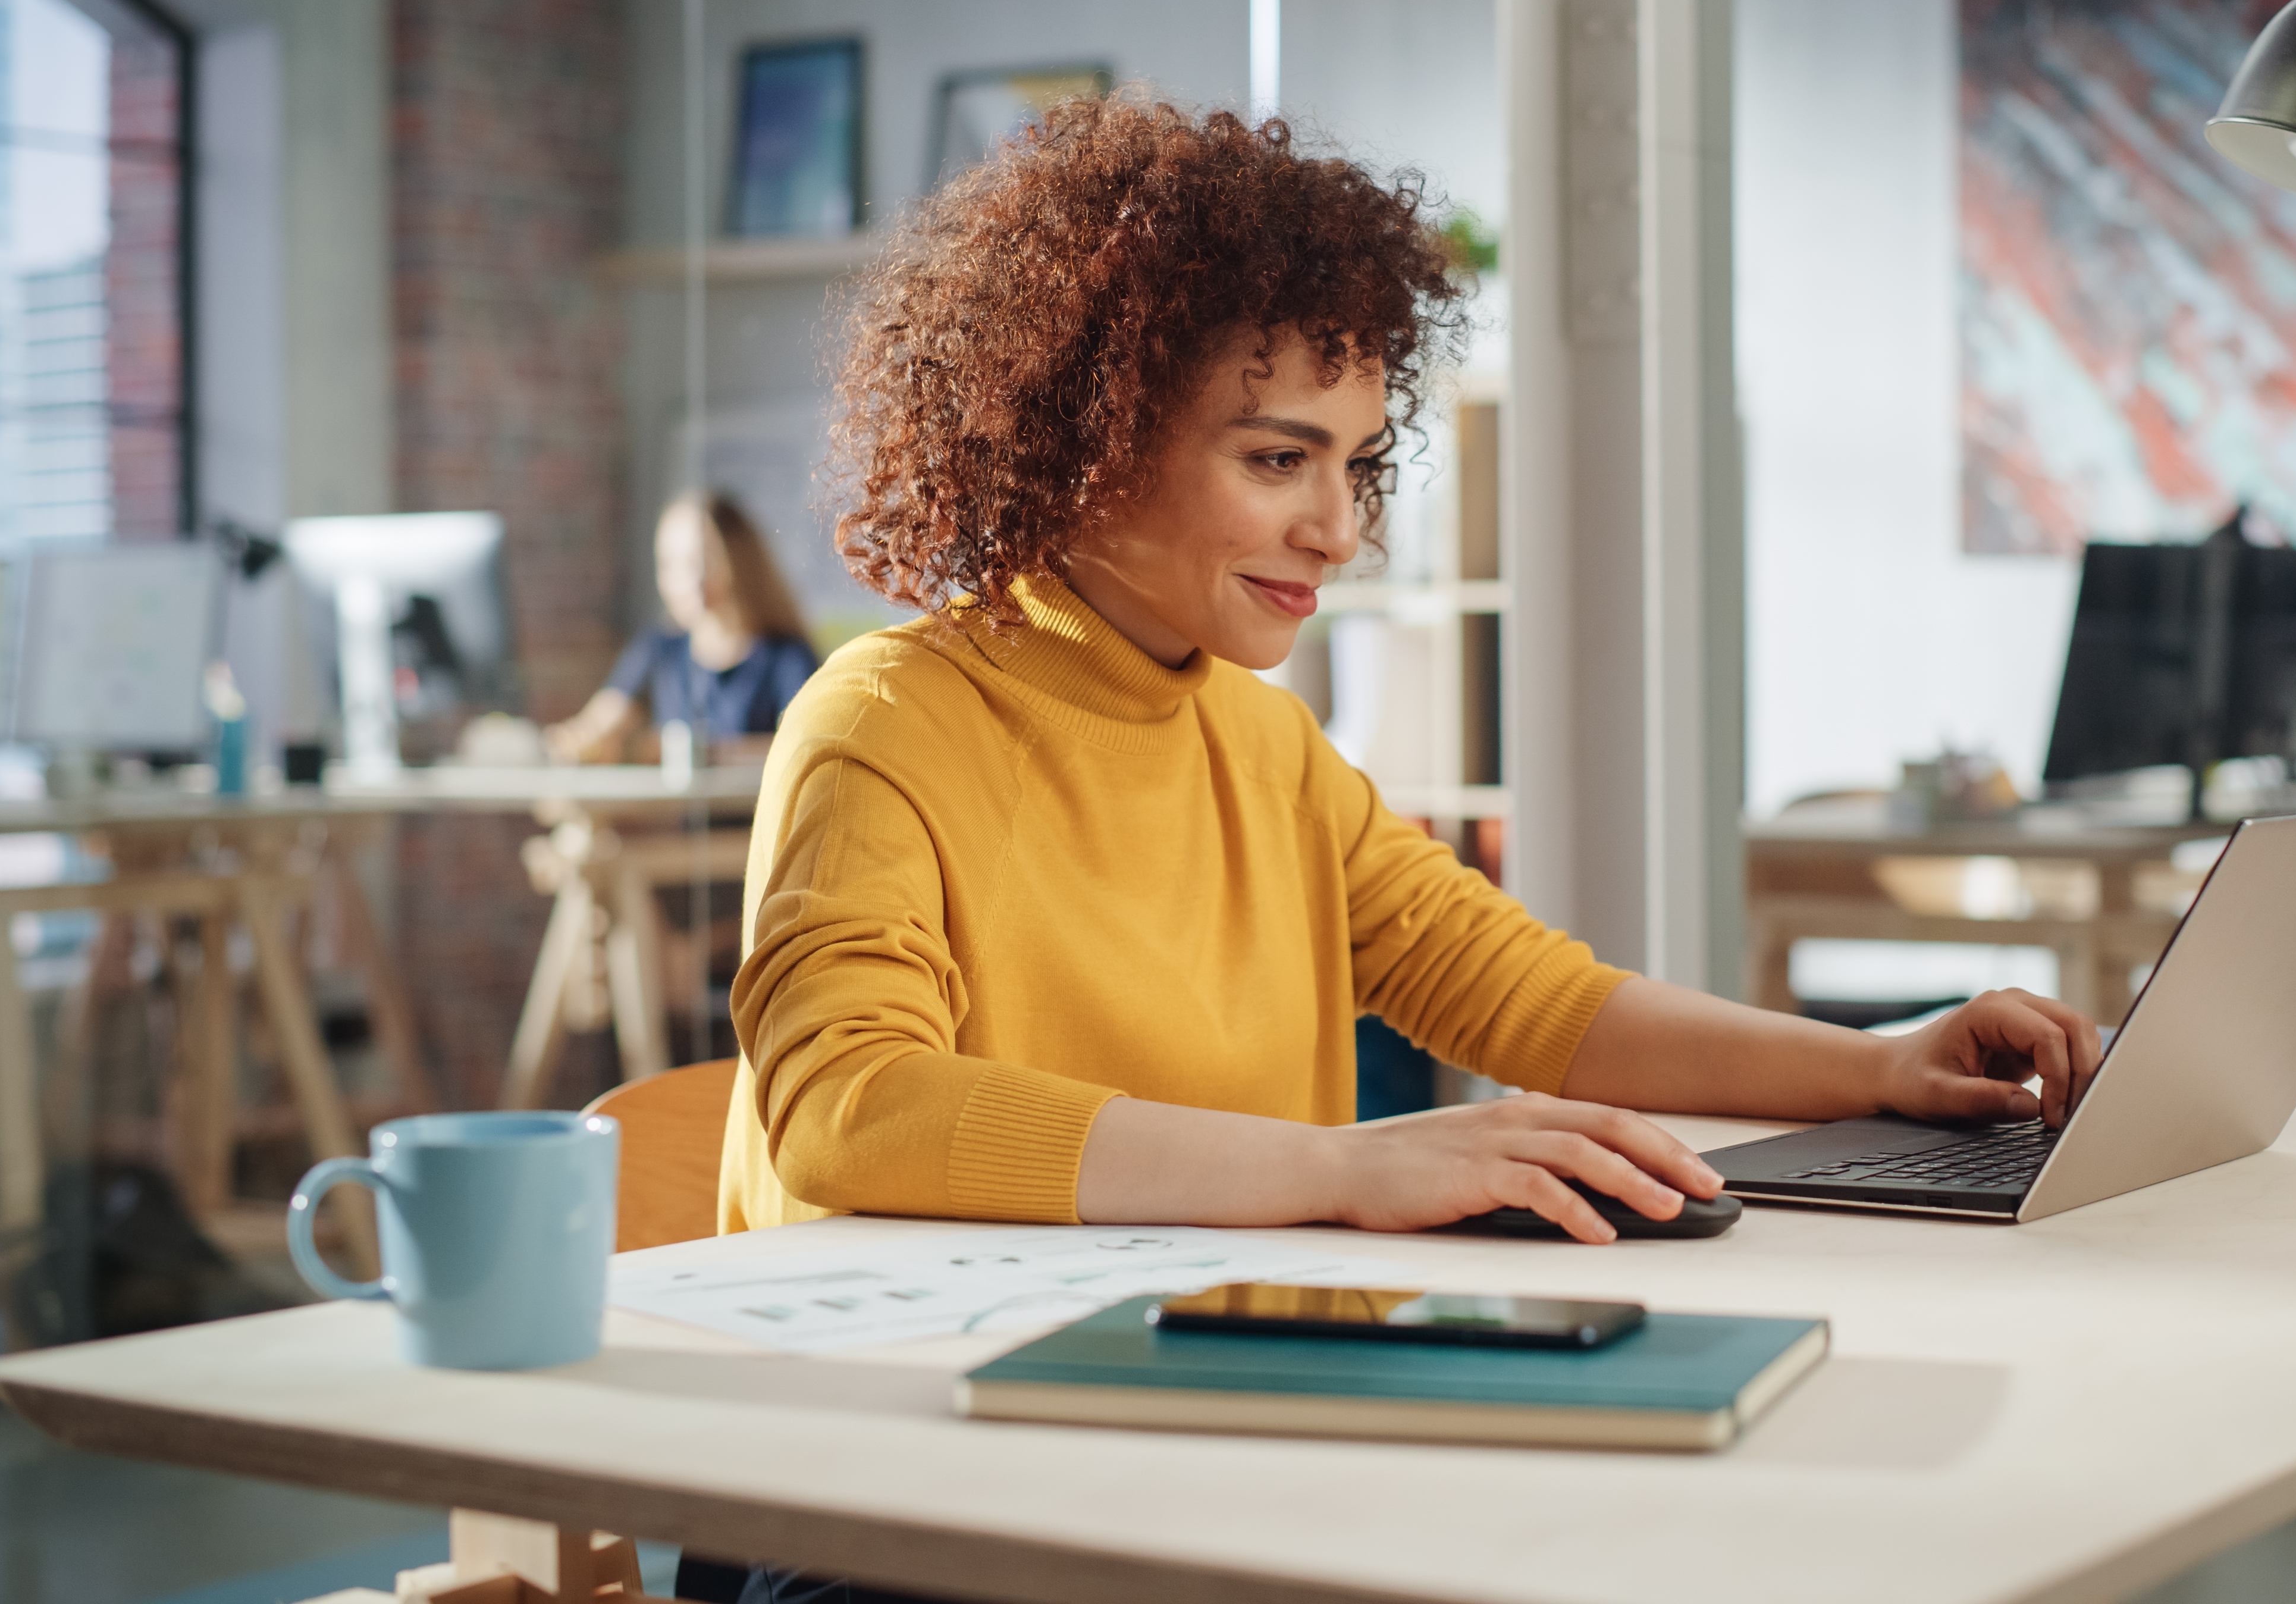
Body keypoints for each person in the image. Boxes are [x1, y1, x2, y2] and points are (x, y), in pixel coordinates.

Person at [696, 94, 2101, 1604]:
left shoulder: (1263, 745)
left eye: (1356, 466)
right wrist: (1340, 1170)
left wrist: (1876, 1066)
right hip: (883, 1477)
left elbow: (1526, 996)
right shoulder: (889, 719)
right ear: (1085, 438)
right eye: (1277, 459)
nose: (1337, 530)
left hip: (1175, 1430)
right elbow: (852, 1105)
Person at [547, 493, 818, 767]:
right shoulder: (660, 649)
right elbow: (605, 719)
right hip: (680, 811)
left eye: (700, 560)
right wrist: (577, 741)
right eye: (670, 564)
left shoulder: (786, 658)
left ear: (738, 560)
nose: (688, 579)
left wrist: (697, 755)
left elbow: (805, 745)